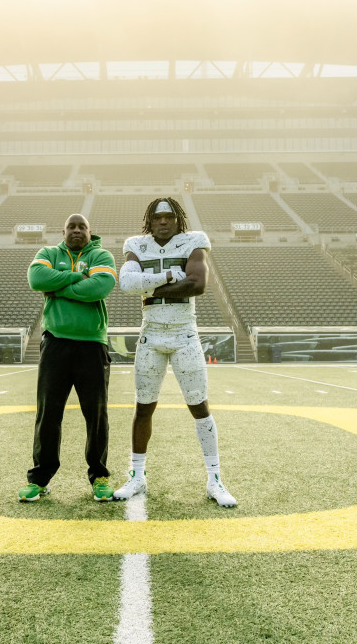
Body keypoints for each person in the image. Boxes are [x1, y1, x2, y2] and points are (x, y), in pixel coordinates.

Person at [113, 197, 237, 507]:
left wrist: (149, 289)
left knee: (199, 406)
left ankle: (215, 479)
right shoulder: (136, 245)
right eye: (158, 218)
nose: (163, 222)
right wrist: (167, 277)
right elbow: (127, 284)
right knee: (143, 407)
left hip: (185, 334)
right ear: (150, 221)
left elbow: (197, 284)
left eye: (169, 217)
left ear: (177, 219)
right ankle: (137, 476)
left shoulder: (193, 241)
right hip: (151, 334)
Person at [19, 213, 118, 502]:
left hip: (92, 344)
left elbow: (100, 287)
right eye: (71, 227)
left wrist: (58, 287)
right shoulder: (48, 253)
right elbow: (36, 278)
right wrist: (78, 277)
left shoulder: (102, 255)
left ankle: (99, 476)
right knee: (48, 414)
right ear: (63, 232)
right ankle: (40, 478)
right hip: (56, 344)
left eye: (82, 227)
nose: (77, 230)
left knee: (96, 415)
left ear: (90, 231)